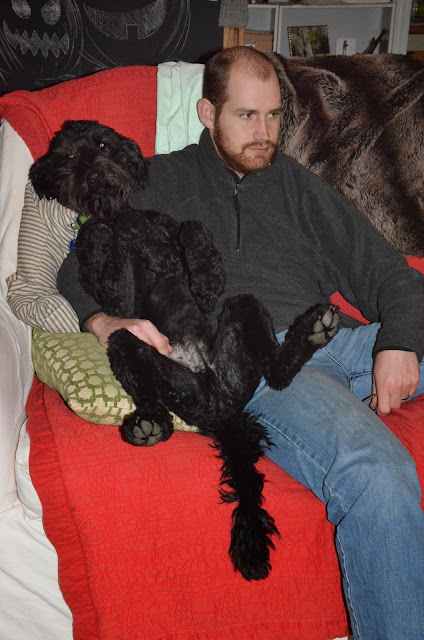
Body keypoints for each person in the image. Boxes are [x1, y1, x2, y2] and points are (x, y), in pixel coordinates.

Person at [8, 47, 424, 639]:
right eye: (247, 116)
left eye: (274, 116)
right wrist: (103, 323)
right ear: (208, 113)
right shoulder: (158, 181)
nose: (264, 133)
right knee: (377, 470)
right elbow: (78, 268)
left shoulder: (298, 185)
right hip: (260, 365)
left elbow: (388, 273)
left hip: (339, 339)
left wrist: (400, 341)